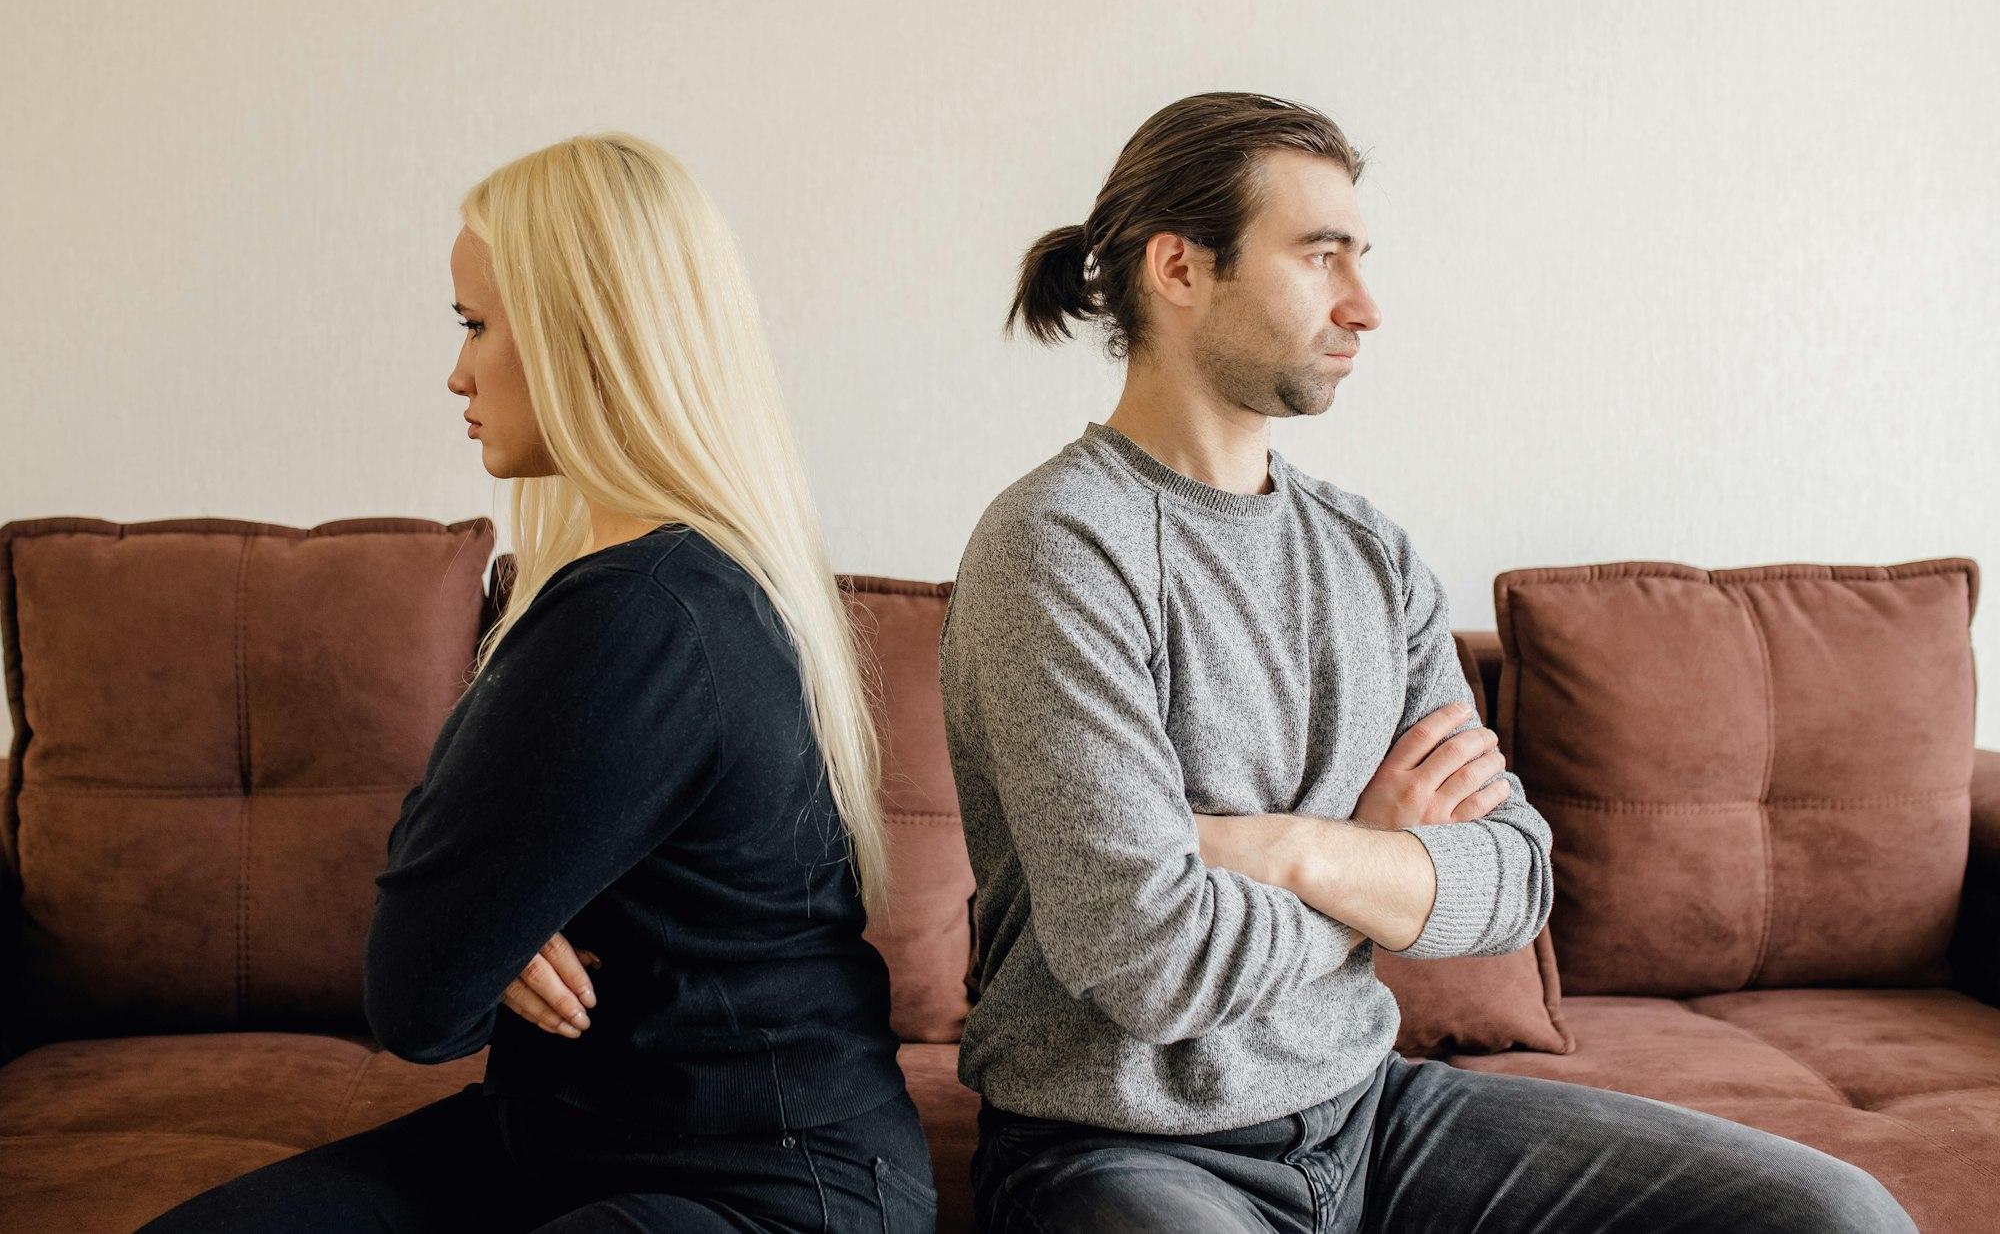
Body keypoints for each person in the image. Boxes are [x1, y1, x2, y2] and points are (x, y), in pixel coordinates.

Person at [938, 91, 1916, 1233]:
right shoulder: (1059, 546)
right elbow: (1152, 965)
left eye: (1360, 258)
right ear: (1177, 267)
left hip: (1370, 1114)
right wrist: (1380, 862)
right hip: (1118, 1149)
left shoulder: (1366, 553)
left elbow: (1512, 881)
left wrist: (1297, 848)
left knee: (1831, 1214)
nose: (1364, 306)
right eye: (1319, 256)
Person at [139, 133, 937, 1232]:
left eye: (475, 324)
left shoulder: (641, 608)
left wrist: (492, 920)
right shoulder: (691, 579)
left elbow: (416, 988)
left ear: (583, 333)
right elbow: (444, 958)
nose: (455, 371)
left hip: (755, 1186)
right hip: (562, 1140)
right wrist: (496, 917)